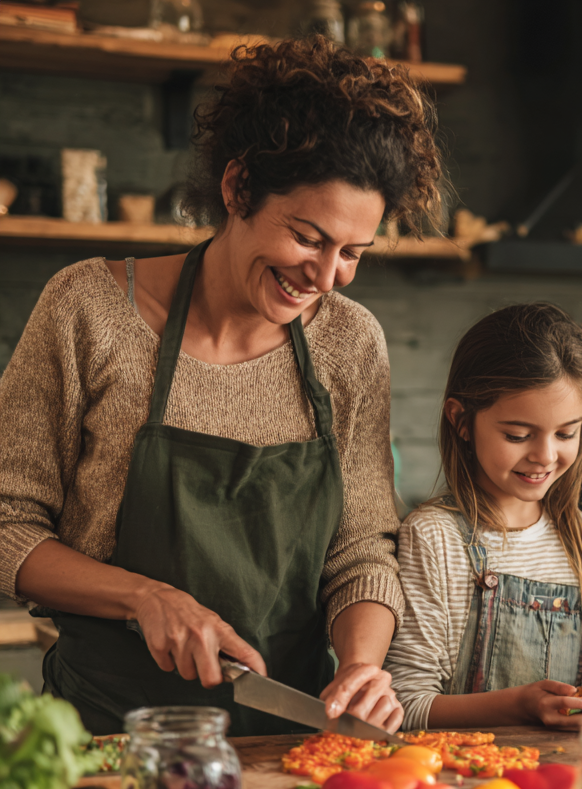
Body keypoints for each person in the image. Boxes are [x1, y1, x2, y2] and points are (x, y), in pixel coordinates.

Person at [0, 38, 445, 735]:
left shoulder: (349, 344)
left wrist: (362, 664)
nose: (325, 278)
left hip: (285, 740)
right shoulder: (87, 309)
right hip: (107, 734)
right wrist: (144, 597)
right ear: (238, 189)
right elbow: (7, 526)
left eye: (353, 254)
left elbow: (360, 547)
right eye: (308, 237)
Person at [386, 304, 582, 729]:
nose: (545, 456)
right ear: (461, 421)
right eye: (518, 435)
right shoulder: (434, 538)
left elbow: (580, 684)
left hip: (558, 779)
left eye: (566, 433)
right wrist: (518, 705)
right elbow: (405, 704)